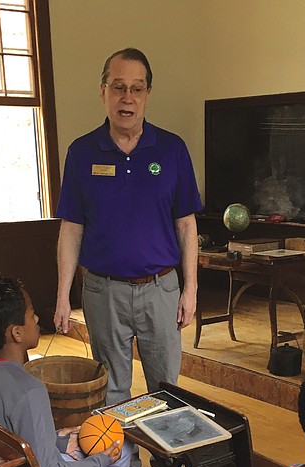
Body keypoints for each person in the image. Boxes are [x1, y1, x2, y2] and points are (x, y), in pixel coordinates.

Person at [54, 47, 202, 408]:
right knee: (112, 392)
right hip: (103, 292)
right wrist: (62, 296)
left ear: (148, 94)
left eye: (137, 88)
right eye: (118, 87)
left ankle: (169, 466)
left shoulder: (172, 149)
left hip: (161, 289)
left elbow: (186, 225)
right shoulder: (82, 152)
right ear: (102, 90)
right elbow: (72, 229)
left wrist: (191, 289)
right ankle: (123, 463)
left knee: (167, 391)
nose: (127, 98)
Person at [0, 276, 172, 467]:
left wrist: (59, 440)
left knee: (121, 447)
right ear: (16, 333)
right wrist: (97, 462)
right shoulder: (29, 390)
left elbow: (17, 435)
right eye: (31, 315)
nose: (37, 319)